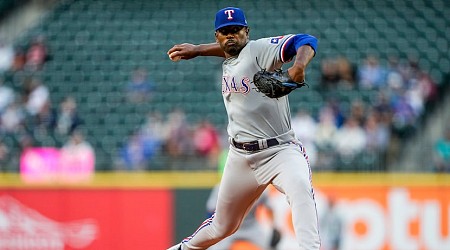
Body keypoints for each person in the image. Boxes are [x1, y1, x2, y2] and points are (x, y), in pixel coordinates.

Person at [167, 7, 320, 250]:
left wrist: (299, 65)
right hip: (240, 157)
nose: (230, 36)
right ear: (217, 35)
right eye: (224, 32)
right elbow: (229, 49)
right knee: (221, 227)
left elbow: (306, 40)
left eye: (236, 30)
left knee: (300, 187)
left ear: (246, 32)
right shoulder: (230, 55)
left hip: (280, 151)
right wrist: (197, 50)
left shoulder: (259, 50)